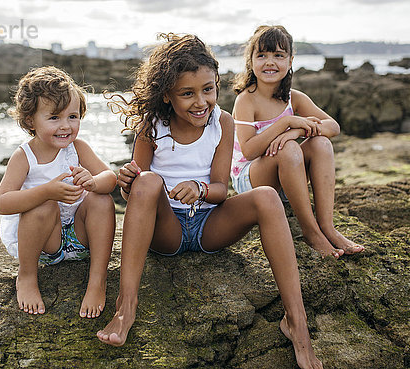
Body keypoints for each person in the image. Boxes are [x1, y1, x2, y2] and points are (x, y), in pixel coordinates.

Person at [97, 33, 322, 369]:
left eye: (208, 89)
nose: (200, 102)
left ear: (217, 84)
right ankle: (126, 306)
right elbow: (137, 197)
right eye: (187, 93)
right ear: (167, 96)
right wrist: (128, 183)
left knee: (267, 197)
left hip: (209, 226)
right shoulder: (152, 126)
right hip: (167, 231)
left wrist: (199, 190)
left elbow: (221, 188)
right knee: (147, 181)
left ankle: (296, 322)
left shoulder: (223, 122)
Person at [231, 25, 364, 258]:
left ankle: (327, 227)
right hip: (251, 178)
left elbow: (333, 126)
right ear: (250, 61)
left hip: (287, 173)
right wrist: (286, 124)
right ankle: (310, 231)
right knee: (290, 147)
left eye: (278, 55)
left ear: (291, 61)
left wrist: (295, 131)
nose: (270, 62)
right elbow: (249, 150)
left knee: (321, 143)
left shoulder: (295, 98)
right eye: (261, 55)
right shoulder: (246, 100)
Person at [0, 66, 116, 318]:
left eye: (73, 116)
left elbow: (110, 178)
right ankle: (27, 277)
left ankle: (97, 280)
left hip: (79, 238)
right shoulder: (24, 156)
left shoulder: (78, 148)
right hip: (46, 243)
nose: (65, 126)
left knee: (101, 201)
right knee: (43, 205)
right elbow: (3, 203)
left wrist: (93, 182)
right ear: (30, 120)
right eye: (54, 118)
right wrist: (46, 191)